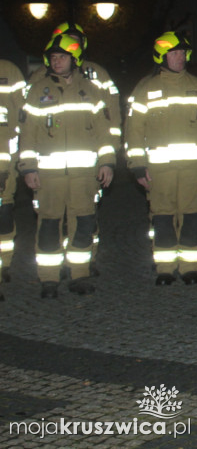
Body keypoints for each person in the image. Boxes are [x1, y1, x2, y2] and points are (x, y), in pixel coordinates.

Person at [18, 34, 117, 298]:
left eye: (62, 57)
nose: (56, 61)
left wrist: (107, 162)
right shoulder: (38, 91)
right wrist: (28, 168)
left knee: (83, 224)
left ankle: (79, 275)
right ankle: (49, 279)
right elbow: (26, 134)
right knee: (49, 225)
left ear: (75, 60)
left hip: (84, 176)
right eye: (53, 57)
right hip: (48, 176)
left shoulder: (91, 91)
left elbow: (103, 133)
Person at [124, 32, 197, 286]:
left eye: (183, 53)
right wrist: (137, 166)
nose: (181, 58)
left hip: (193, 170)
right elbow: (133, 131)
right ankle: (165, 268)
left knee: (191, 216)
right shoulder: (145, 89)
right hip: (159, 171)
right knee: (162, 218)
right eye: (175, 53)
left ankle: (190, 267)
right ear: (162, 56)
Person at [0, 58, 26, 293]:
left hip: (4, 163)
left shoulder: (9, 71)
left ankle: (4, 264)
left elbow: (23, 117)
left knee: (3, 213)